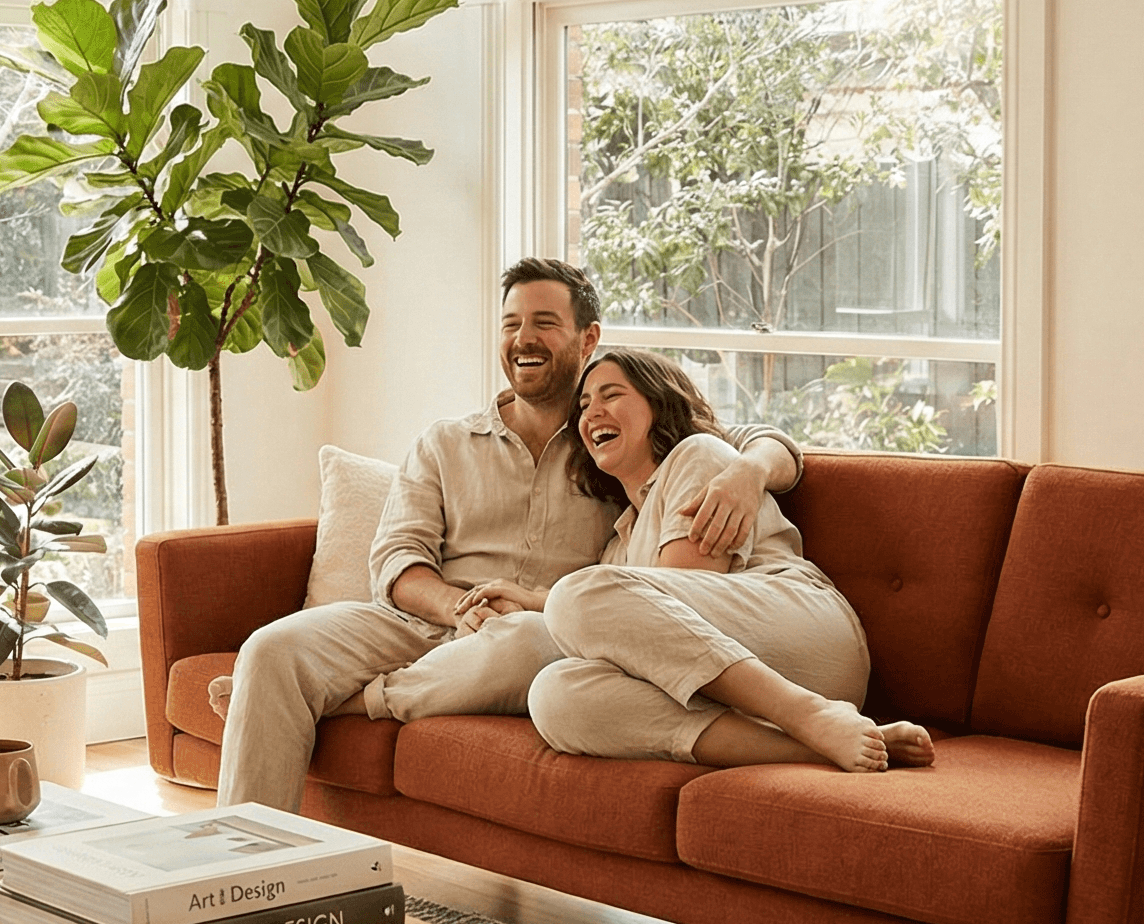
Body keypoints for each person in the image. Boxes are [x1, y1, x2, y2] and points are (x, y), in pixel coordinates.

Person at [212, 260, 809, 811]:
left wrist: (748, 472)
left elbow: (763, 441)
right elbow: (397, 560)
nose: (524, 338)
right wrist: (458, 607)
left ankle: (353, 702)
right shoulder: (446, 442)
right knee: (271, 651)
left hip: (544, 631)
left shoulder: (613, 434)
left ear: (588, 339)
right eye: (511, 324)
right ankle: (244, 876)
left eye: (545, 323)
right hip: (423, 624)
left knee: (522, 636)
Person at [448, 348, 935, 772]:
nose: (592, 411)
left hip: (806, 636)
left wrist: (555, 603)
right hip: (740, 672)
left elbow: (678, 605)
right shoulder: (619, 541)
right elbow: (654, 627)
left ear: (658, 405)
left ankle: (807, 713)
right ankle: (816, 746)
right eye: (584, 403)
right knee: (555, 696)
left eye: (612, 394)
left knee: (579, 593)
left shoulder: (698, 456)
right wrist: (534, 604)